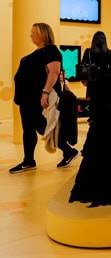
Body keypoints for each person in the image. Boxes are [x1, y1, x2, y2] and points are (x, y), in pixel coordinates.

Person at [10, 23, 79, 173]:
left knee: (35, 128)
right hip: (27, 98)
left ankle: (31, 160)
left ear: (42, 33)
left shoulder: (51, 50)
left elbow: (54, 73)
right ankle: (65, 152)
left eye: (34, 32)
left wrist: (45, 93)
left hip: (35, 97)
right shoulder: (40, 52)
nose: (31, 35)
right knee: (37, 127)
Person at [81, 31, 111, 100]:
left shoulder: (88, 52)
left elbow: (83, 67)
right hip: (106, 85)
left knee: (91, 106)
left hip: (92, 83)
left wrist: (84, 81)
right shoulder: (109, 53)